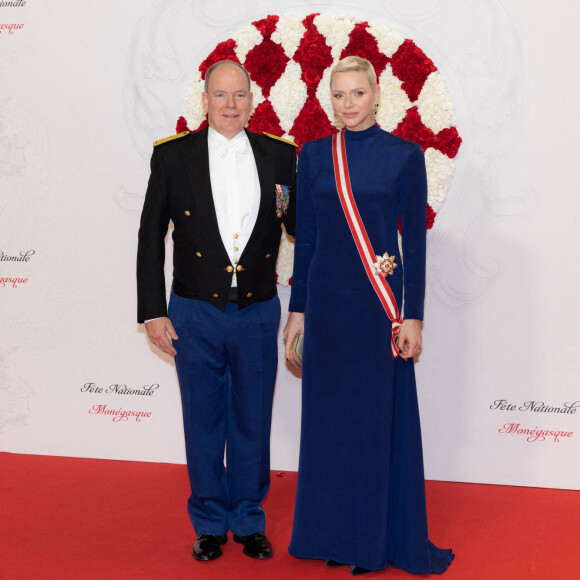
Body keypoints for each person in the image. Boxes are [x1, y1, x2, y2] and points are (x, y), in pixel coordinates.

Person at [284, 56, 454, 575]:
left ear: (376, 95)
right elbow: (307, 241)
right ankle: (332, 535)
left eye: (358, 93)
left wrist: (413, 315)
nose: (349, 104)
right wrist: (298, 312)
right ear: (328, 100)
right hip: (329, 312)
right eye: (339, 95)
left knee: (372, 426)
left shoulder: (404, 156)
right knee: (329, 428)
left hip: (379, 312)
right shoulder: (314, 157)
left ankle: (373, 541)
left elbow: (416, 247)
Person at [137, 60, 297, 562]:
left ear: (254, 100)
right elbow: (149, 238)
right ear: (203, 100)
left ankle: (248, 518)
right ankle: (208, 520)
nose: (231, 105)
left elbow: (304, 231)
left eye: (240, 95)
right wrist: (151, 311)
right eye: (221, 95)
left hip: (256, 309)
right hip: (193, 310)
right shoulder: (173, 157)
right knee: (203, 420)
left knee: (252, 418)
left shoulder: (280, 156)